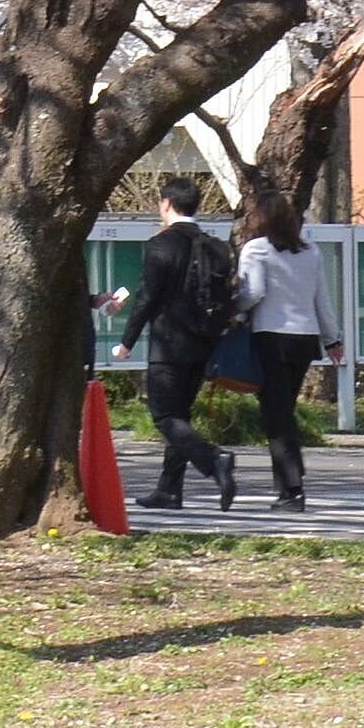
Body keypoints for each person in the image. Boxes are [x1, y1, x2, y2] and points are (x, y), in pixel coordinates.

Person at [109, 174, 240, 511]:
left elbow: (147, 298)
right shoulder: (214, 246)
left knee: (164, 416)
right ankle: (169, 489)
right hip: (204, 344)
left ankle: (214, 460)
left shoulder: (160, 245)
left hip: (168, 345)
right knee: (181, 415)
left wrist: (126, 342)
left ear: (166, 204)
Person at [233, 187, 341, 510]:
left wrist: (235, 309)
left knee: (276, 415)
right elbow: (321, 298)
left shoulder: (256, 249)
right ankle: (290, 480)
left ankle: (292, 487)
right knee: (284, 411)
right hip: (305, 339)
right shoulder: (310, 252)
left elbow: (253, 292)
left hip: (271, 336)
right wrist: (332, 339)